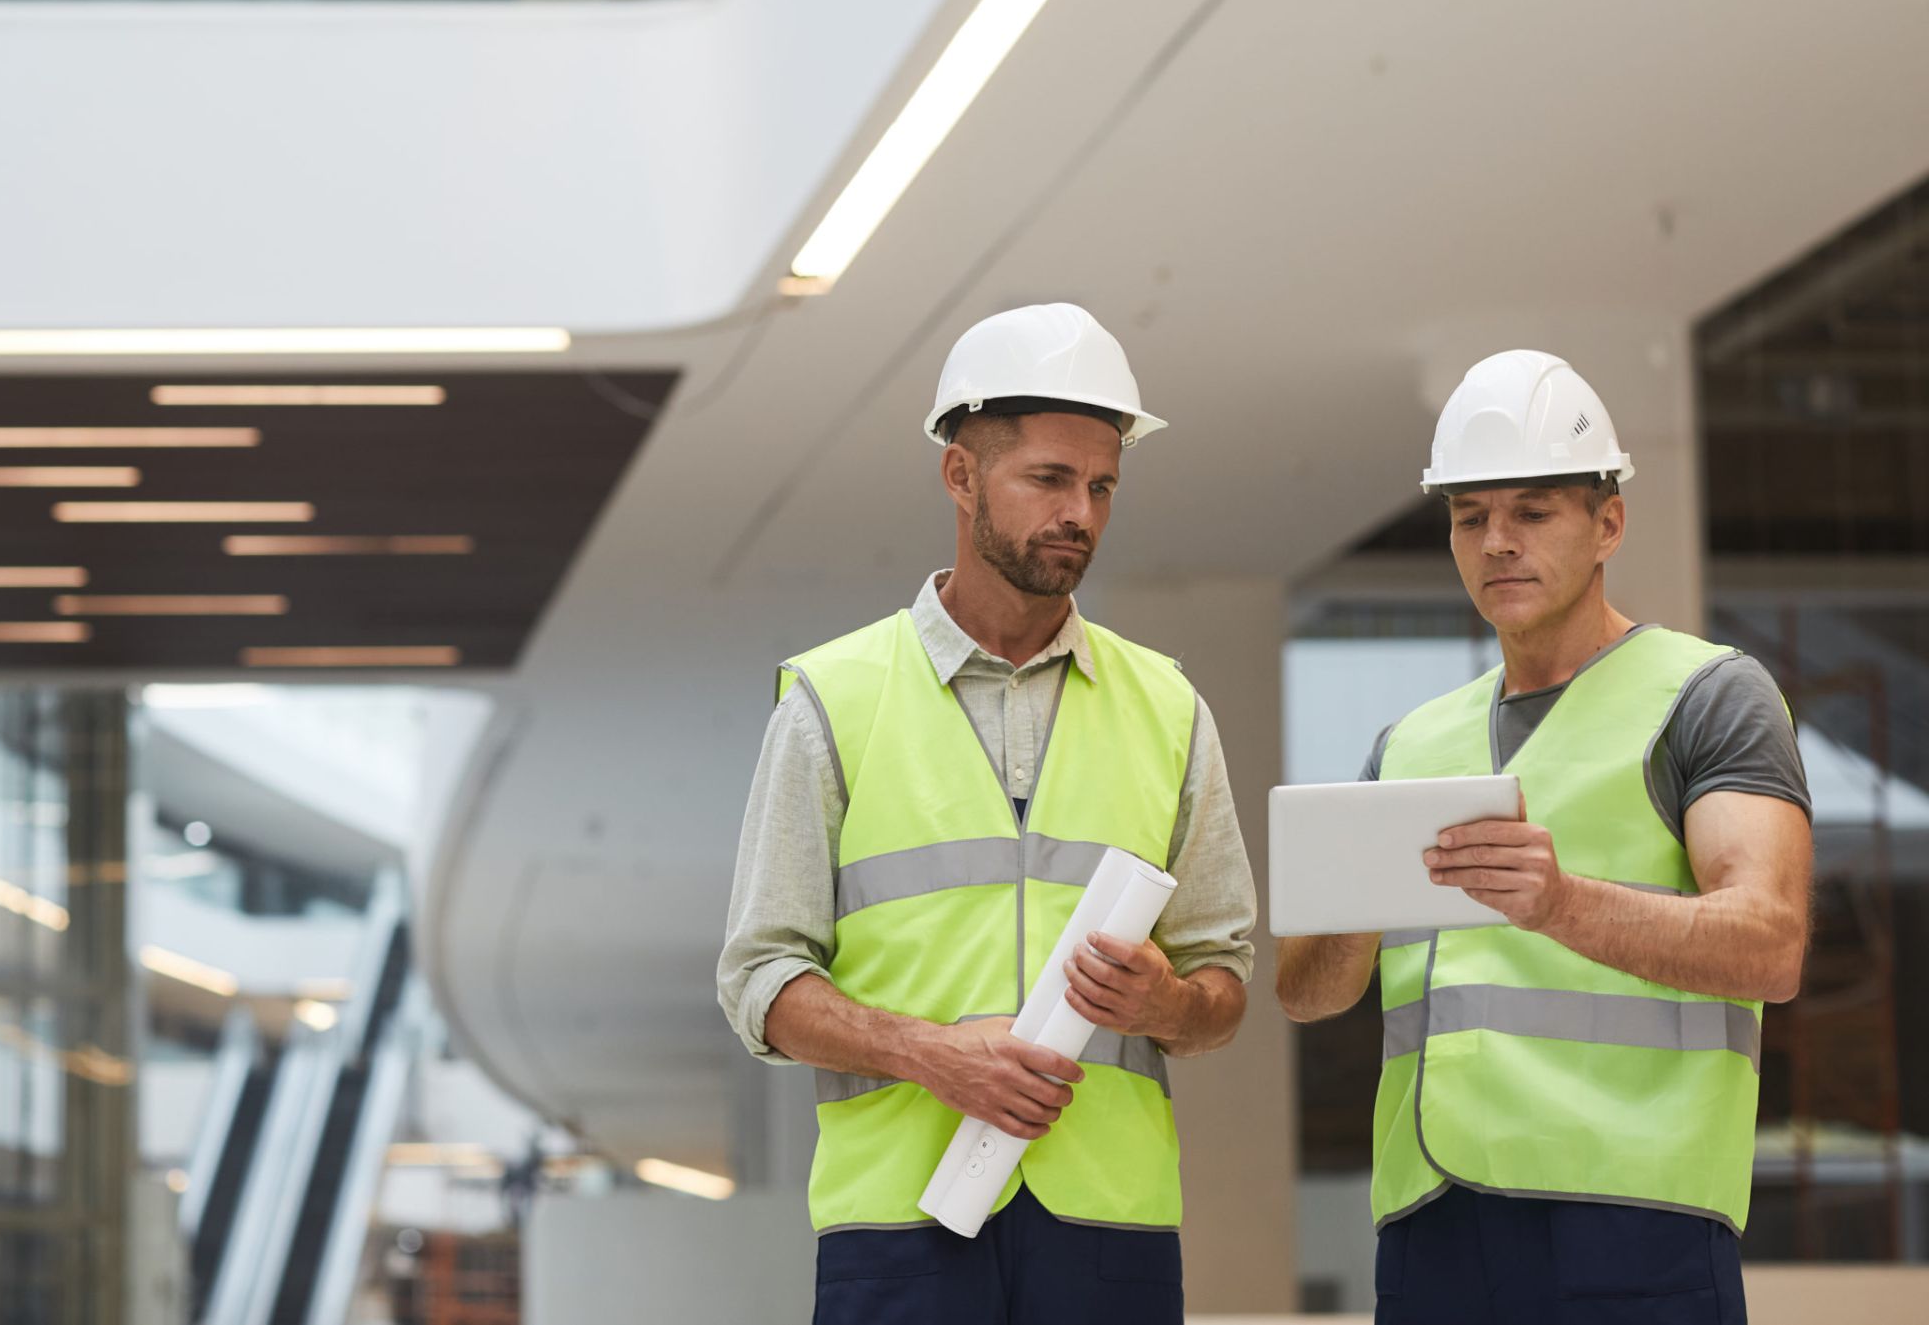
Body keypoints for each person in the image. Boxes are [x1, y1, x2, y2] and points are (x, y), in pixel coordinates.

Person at [717, 302, 1255, 1325]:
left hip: (1111, 1227)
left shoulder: (1170, 706)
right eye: (1049, 478)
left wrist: (1169, 1004)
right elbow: (760, 982)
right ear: (960, 475)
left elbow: (1223, 982)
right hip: (899, 1228)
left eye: (1102, 485)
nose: (1080, 513)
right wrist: (930, 1053)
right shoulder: (833, 700)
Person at [1276, 349, 1814, 1325]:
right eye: (1469, 516)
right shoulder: (1410, 743)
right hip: (1432, 1231)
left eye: (1532, 511)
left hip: (1637, 1217)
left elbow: (1770, 944)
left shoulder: (1708, 695)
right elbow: (1305, 994)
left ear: (1608, 523)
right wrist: (1355, 902)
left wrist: (1563, 903)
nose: (1497, 542)